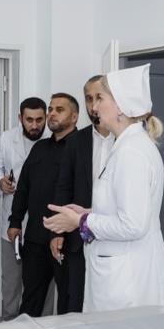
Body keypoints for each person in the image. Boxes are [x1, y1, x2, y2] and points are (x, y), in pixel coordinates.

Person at [43, 64, 164, 312]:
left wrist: (81, 221)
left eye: (100, 98)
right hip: (121, 269)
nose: (94, 107)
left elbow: (132, 225)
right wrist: (87, 212)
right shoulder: (125, 145)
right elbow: (125, 208)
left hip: (127, 277)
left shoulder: (131, 152)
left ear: (120, 107)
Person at [9, 93, 79, 316]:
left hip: (67, 240)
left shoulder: (83, 148)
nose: (52, 114)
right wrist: (15, 221)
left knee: (69, 300)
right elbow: (23, 188)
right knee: (31, 299)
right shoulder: (39, 148)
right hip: (36, 238)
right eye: (51, 109)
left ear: (75, 117)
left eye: (60, 109)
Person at [50, 76, 115, 312]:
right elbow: (64, 186)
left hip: (116, 236)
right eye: (88, 98)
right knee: (75, 300)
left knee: (109, 304)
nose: (93, 105)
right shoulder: (76, 141)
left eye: (98, 97)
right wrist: (57, 231)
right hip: (79, 237)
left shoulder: (126, 140)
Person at [0, 97, 46, 320]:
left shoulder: (52, 140)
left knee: (40, 282)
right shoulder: (7, 138)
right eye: (29, 120)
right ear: (20, 118)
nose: (35, 125)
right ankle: (9, 321)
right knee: (11, 279)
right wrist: (0, 180)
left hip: (41, 225)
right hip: (11, 222)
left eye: (39, 120)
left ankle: (41, 324)